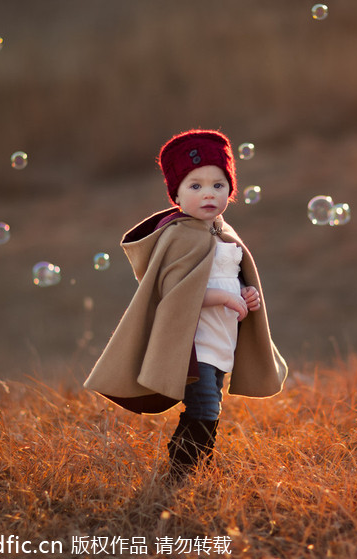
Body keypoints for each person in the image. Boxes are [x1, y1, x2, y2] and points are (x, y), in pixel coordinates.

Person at [84, 129, 287, 482]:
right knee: (204, 405)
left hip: (221, 339)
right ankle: (183, 470)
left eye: (218, 185)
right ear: (175, 194)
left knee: (211, 406)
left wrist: (247, 294)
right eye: (195, 186)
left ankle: (194, 467)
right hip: (192, 346)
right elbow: (175, 295)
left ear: (231, 191)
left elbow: (232, 279)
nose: (208, 193)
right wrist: (225, 297)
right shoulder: (178, 236)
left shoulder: (224, 234)